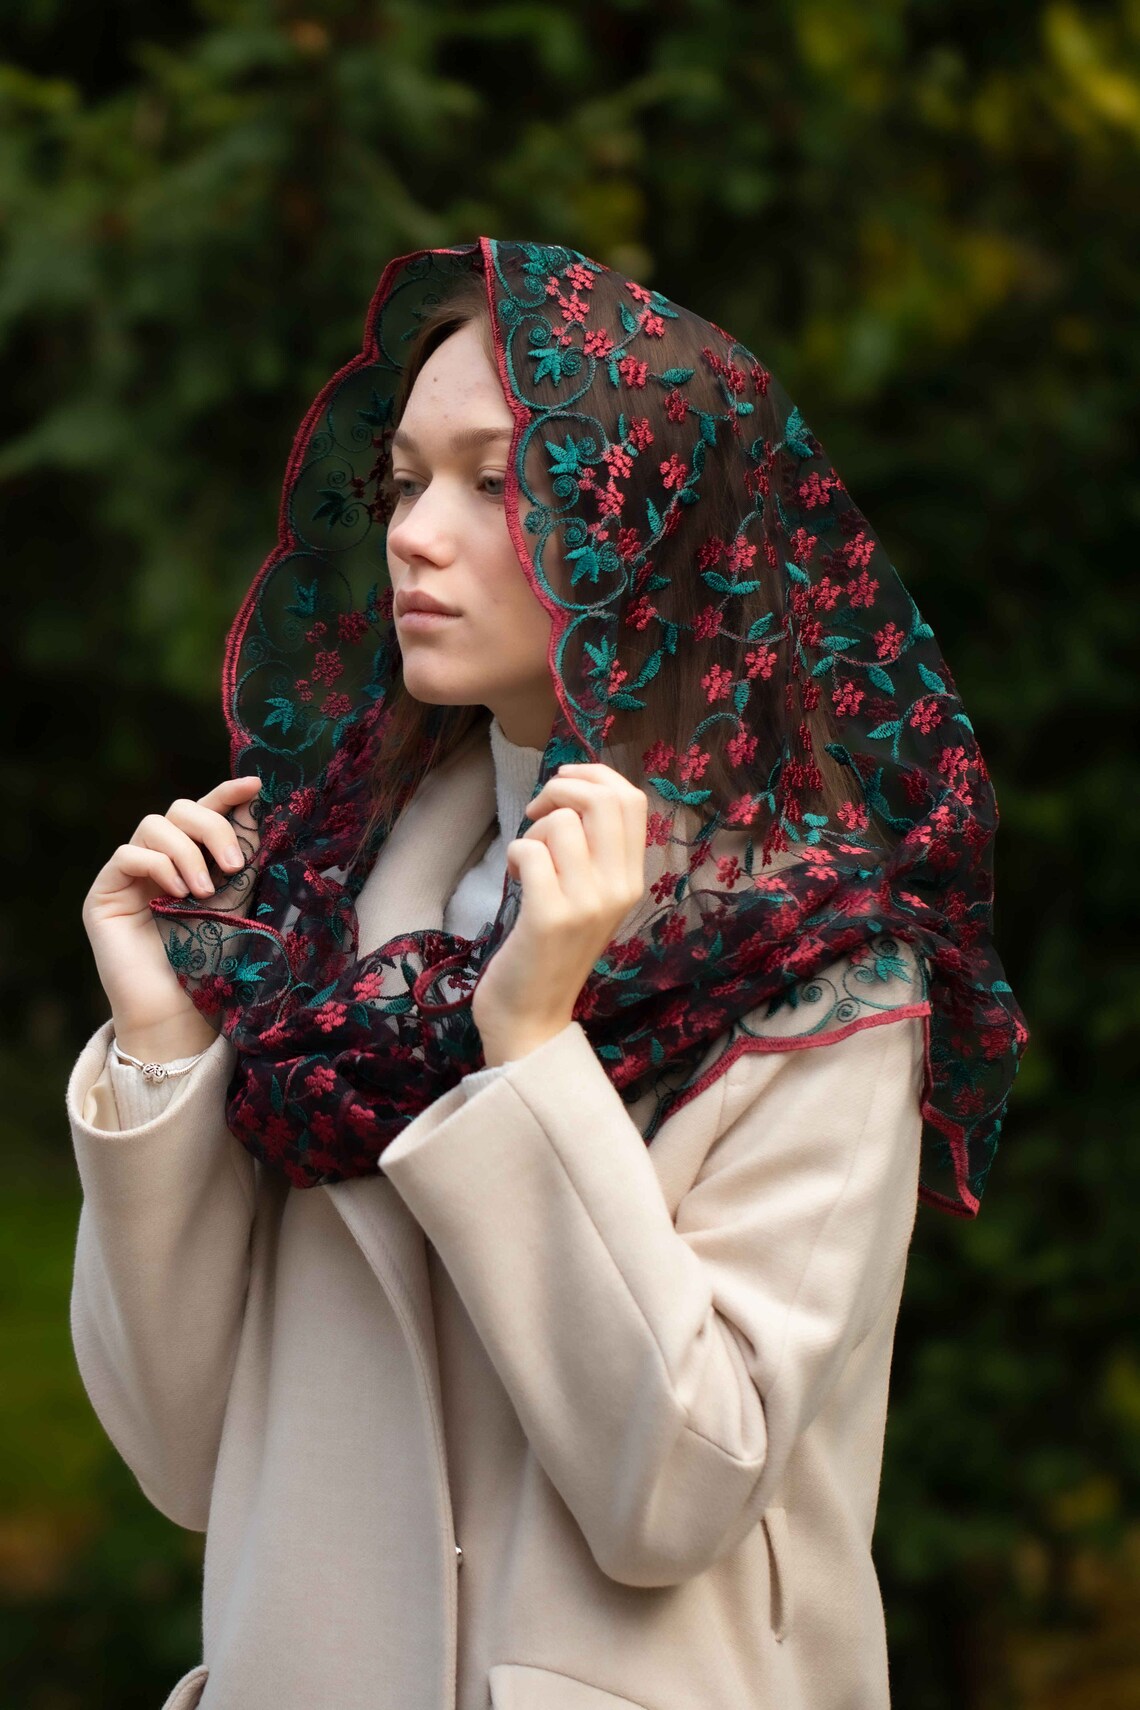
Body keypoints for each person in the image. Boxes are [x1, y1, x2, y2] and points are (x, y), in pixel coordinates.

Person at [67, 238, 1027, 1710]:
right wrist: (160, 1045)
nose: (415, 534)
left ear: (655, 530)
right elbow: (180, 1457)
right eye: (405, 483)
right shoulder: (314, 923)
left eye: (498, 482)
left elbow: (680, 1491)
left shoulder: (817, 965)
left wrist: (526, 1042)